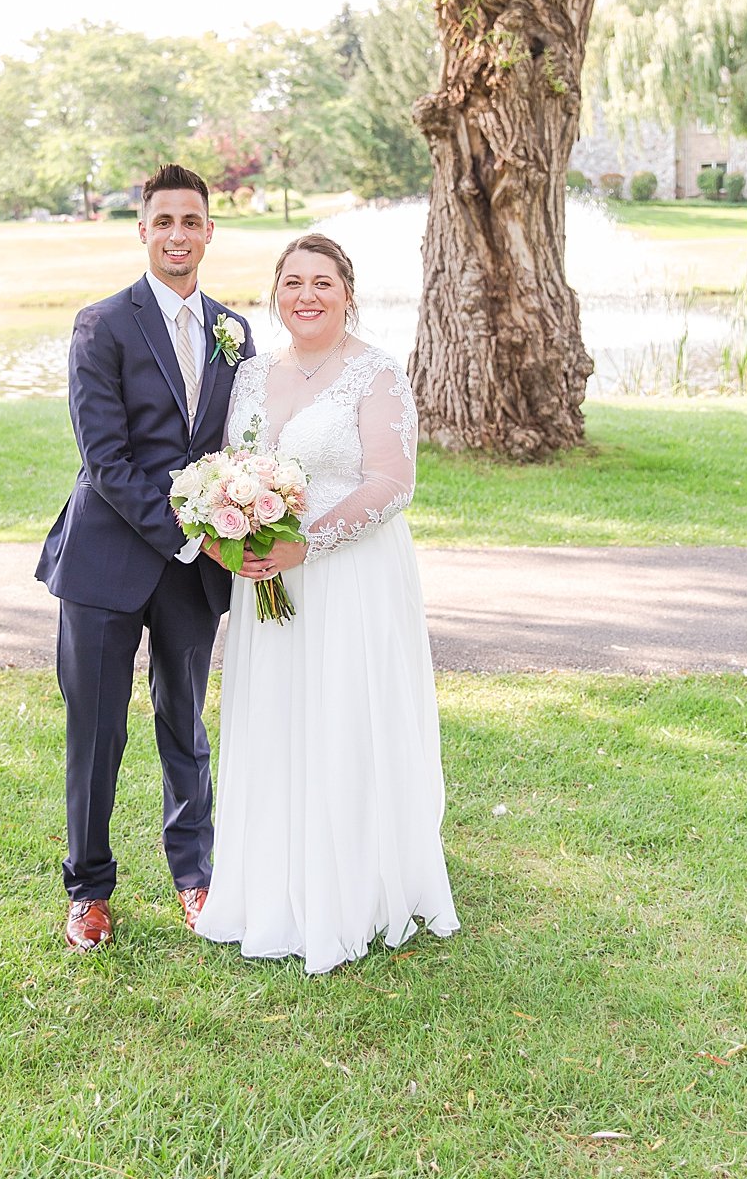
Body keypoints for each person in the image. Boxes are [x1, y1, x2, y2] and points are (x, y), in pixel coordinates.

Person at [193, 234, 458, 973]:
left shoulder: (375, 373)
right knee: (277, 716)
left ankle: (354, 885)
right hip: (268, 578)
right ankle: (271, 881)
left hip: (349, 577)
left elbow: (391, 483)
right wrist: (227, 528)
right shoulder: (249, 376)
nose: (306, 295)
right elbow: (227, 468)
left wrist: (307, 541)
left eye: (323, 282)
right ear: (277, 292)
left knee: (344, 713)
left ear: (348, 292)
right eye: (293, 281)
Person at [37, 162, 255, 951]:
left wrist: (238, 518)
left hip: (196, 571)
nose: (177, 235)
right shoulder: (103, 325)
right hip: (106, 561)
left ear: (207, 232)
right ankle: (88, 889)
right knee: (96, 733)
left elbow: (238, 444)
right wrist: (183, 530)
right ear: (142, 230)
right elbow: (106, 459)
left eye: (191, 221)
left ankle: (195, 878)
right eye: (163, 221)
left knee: (184, 723)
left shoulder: (236, 332)